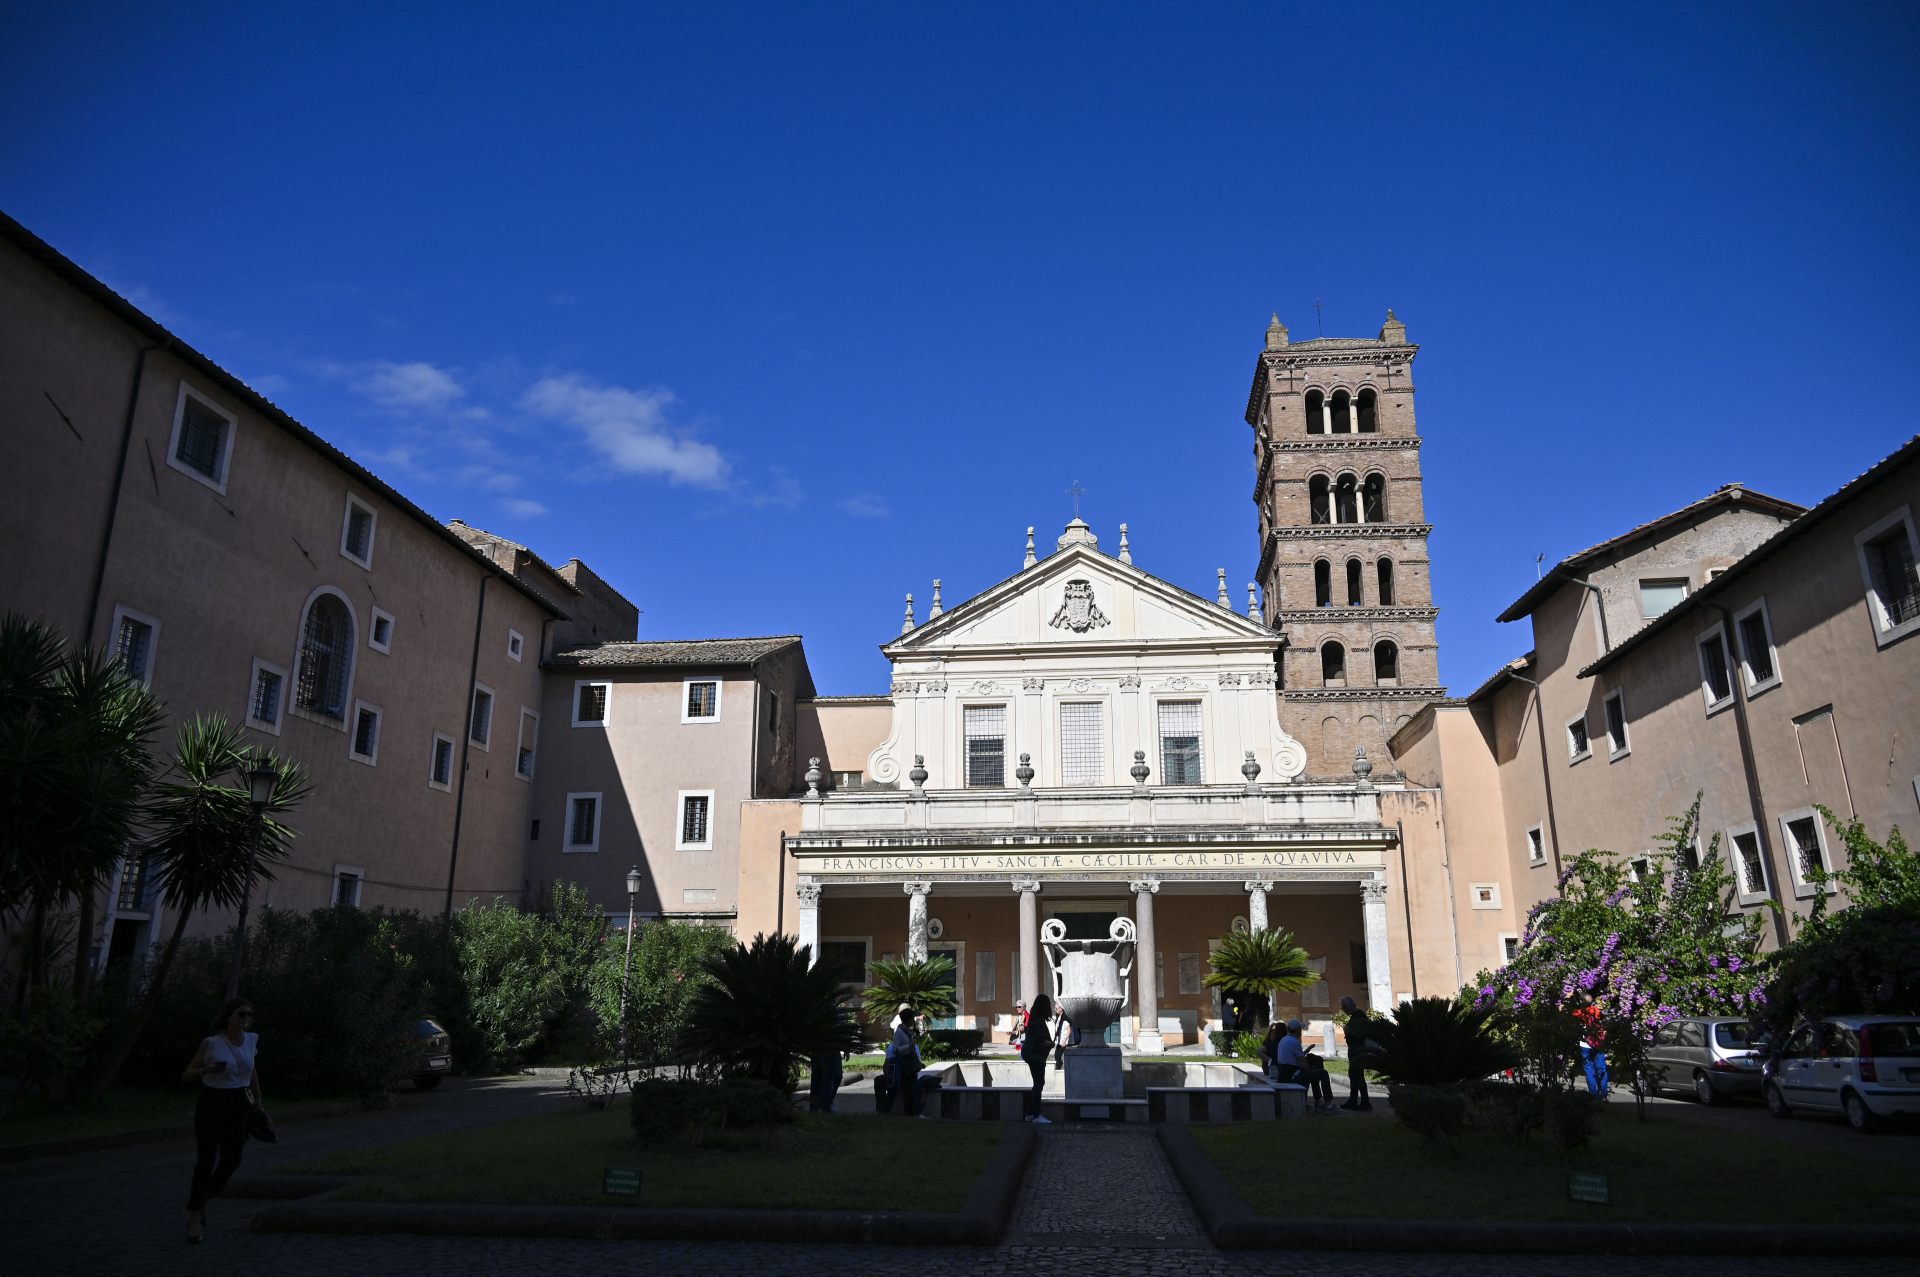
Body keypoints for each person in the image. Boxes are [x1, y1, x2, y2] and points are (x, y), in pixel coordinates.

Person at [181, 997, 262, 1243]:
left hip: (239, 1102)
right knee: (206, 1160)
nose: (246, 1019)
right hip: (213, 1102)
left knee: (232, 1159)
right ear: (228, 1017)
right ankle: (195, 1216)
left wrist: (257, 1095)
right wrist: (207, 1070)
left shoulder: (252, 1040)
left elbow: (251, 1068)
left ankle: (204, 1199)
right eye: (241, 1014)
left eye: (249, 1014)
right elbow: (186, 1074)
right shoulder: (211, 1043)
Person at [1273, 1018, 1337, 1112]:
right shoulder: (1294, 1042)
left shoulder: (1284, 1039)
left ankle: (1318, 1101)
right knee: (1323, 1073)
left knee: (1314, 1072)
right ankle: (1328, 1103)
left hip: (1284, 1073)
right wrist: (1311, 1066)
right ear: (1297, 1030)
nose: (1301, 1031)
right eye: (1300, 1029)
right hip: (1292, 1075)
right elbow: (1304, 1065)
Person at [1020, 994, 1055, 1123]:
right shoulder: (1038, 1022)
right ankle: (1036, 1115)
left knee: (1037, 1084)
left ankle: (1030, 1113)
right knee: (1039, 1084)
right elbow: (1041, 1041)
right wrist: (1051, 1043)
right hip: (1035, 1056)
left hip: (1031, 1054)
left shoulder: (1035, 1019)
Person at [1339, 995, 1375, 1111]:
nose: (1343, 1010)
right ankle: (1353, 1100)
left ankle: (1365, 1102)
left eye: (1344, 1007)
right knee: (1353, 1075)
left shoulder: (1358, 1017)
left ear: (1351, 1006)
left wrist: (1348, 1032)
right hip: (1356, 1050)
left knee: (1358, 1076)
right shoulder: (1357, 1017)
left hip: (1358, 1051)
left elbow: (1358, 1036)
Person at [889, 1004, 924, 1117]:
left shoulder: (907, 1031)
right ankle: (911, 1114)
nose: (913, 1021)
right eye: (912, 1019)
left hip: (910, 1066)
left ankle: (913, 1113)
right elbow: (895, 1050)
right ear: (907, 1020)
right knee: (909, 1092)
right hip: (905, 1067)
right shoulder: (899, 1033)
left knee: (913, 1091)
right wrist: (909, 1046)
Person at [1574, 991, 1610, 1098]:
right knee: (1601, 1068)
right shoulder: (1596, 1010)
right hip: (1598, 1043)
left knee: (1589, 1069)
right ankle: (1603, 1093)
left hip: (1585, 1045)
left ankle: (1593, 1094)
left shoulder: (1578, 1013)